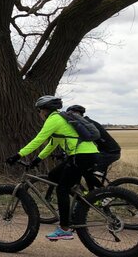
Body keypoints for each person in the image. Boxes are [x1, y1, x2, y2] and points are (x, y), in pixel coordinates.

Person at [6, 95, 99, 241]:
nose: (39, 114)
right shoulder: (61, 119)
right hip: (86, 154)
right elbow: (52, 143)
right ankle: (77, 202)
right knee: (53, 176)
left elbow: (39, 139)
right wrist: (37, 160)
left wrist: (18, 155)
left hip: (80, 155)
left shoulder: (53, 119)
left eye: (39, 111)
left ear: (44, 110)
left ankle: (64, 229)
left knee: (61, 189)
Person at [66, 104, 121, 190]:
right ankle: (93, 195)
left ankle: (104, 194)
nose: (71, 116)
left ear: (77, 113)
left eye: (72, 113)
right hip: (109, 151)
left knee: (85, 171)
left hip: (109, 153)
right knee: (86, 171)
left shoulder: (85, 124)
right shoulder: (87, 122)